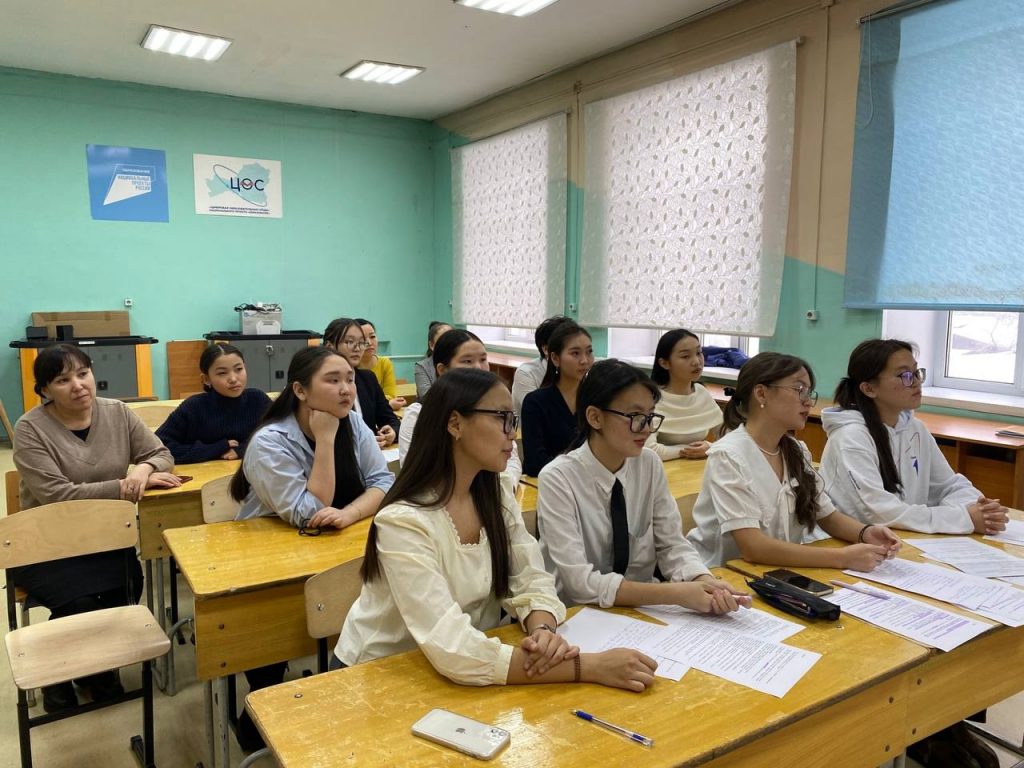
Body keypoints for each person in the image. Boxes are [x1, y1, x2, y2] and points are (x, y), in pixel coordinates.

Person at [335, 368, 659, 693]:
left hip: (465, 671)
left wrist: (543, 632)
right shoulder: (403, 521)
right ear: (455, 424)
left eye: (513, 420)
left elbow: (531, 577)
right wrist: (589, 667)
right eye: (502, 418)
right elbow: (453, 648)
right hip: (380, 676)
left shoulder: (495, 493)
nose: (512, 434)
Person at [229, 345, 393, 751]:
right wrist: (324, 439)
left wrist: (349, 514)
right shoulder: (270, 442)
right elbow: (309, 513)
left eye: (349, 379)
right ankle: (259, 713)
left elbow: (383, 482)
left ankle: (335, 696)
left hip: (335, 549)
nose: (346, 389)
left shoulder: (353, 422)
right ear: (300, 391)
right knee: (274, 642)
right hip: (272, 560)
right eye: (332, 381)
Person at [12, 344, 180, 713]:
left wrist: (142, 470)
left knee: (128, 587)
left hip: (103, 537)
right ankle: (61, 674)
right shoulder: (30, 429)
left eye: (83, 373)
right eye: (63, 380)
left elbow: (161, 453)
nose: (78, 385)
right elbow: (58, 495)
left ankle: (97, 671)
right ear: (44, 390)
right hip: (43, 542)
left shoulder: (116, 411)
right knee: (81, 602)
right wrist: (123, 487)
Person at [537, 359, 748, 611]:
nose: (646, 429)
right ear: (595, 417)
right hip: (579, 613)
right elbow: (580, 583)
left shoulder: (648, 463)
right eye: (636, 416)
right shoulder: (558, 478)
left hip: (643, 609)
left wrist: (703, 580)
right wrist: (675, 593)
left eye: (650, 416)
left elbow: (671, 544)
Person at [686, 352, 902, 570]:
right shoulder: (729, 456)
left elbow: (827, 515)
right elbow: (752, 547)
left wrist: (865, 532)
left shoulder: (797, 451)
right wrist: (842, 558)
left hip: (776, 571)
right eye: (799, 389)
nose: (808, 401)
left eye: (809, 392)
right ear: (761, 394)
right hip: (721, 575)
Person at [821, 339, 1009, 535]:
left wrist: (980, 509)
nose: (916, 382)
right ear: (869, 388)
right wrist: (964, 518)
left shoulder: (915, 428)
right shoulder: (851, 437)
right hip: (853, 543)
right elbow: (877, 511)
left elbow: (947, 485)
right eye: (904, 375)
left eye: (916, 373)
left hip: (905, 536)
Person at [398, 328, 522, 489]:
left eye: (483, 359)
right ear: (442, 370)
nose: (479, 368)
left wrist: (502, 490)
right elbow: (415, 473)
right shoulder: (418, 414)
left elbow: (512, 461)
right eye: (467, 361)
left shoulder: (496, 408)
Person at [155, 343, 271, 464]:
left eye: (239, 369)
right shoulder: (193, 407)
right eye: (222, 373)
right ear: (206, 379)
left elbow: (279, 436)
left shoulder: (258, 399)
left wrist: (243, 449)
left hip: (250, 471)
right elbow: (157, 448)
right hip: (203, 473)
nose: (233, 379)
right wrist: (215, 448)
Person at [521, 321, 593, 476]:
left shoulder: (595, 398)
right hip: (547, 482)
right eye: (575, 353)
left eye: (589, 352)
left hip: (589, 482)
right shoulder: (535, 402)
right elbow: (535, 463)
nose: (585, 360)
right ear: (555, 358)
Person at [646, 329, 723, 461]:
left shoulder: (702, 393)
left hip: (697, 468)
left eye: (699, 353)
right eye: (685, 356)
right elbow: (649, 450)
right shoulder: (651, 399)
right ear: (664, 363)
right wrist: (688, 449)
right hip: (662, 469)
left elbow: (729, 437)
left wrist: (710, 447)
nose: (696, 362)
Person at [324, 317, 401, 449]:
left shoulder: (368, 378)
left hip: (375, 454)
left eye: (361, 343)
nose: (357, 348)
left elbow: (389, 418)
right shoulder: (322, 385)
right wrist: (362, 443)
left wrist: (392, 432)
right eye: (349, 342)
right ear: (330, 346)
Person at [512, 315, 571, 414]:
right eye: (574, 351)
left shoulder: (578, 371)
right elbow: (538, 414)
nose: (583, 360)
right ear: (546, 349)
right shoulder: (526, 373)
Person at [356, 318, 405, 412]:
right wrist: (386, 403)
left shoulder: (385, 363)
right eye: (362, 339)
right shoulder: (349, 366)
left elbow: (391, 395)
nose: (369, 342)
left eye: (372, 336)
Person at [413, 320, 452, 398]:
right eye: (442, 340)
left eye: (452, 339)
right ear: (431, 345)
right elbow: (427, 397)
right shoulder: (422, 366)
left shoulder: (462, 362)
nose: (449, 344)